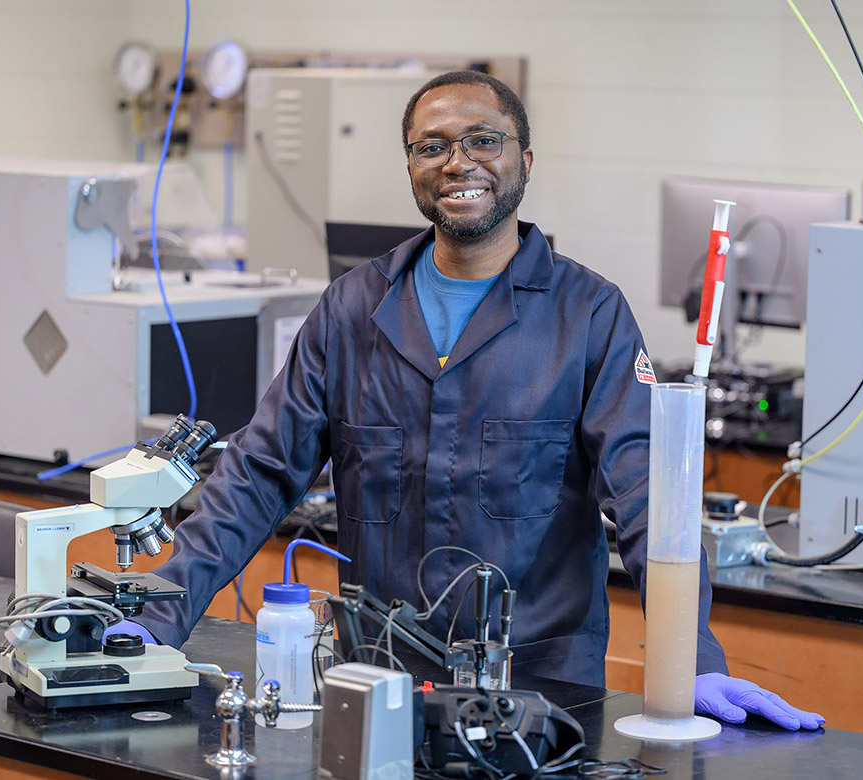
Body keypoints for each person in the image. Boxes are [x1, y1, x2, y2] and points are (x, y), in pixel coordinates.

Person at [133, 70, 822, 730]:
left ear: (524, 159)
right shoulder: (352, 308)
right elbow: (258, 474)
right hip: (379, 680)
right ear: (411, 168)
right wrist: (157, 614)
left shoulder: (588, 315)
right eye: (432, 146)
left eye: (482, 140)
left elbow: (649, 501)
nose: (458, 162)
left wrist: (691, 661)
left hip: (544, 694)